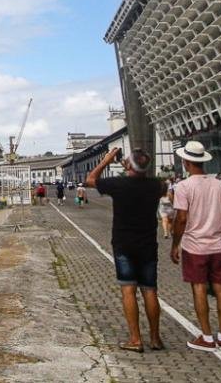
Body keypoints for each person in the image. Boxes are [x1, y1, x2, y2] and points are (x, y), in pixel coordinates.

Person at [87, 148, 167, 353]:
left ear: (129, 166)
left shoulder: (118, 184)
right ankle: (155, 338)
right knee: (150, 290)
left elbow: (90, 179)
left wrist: (106, 160)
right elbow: (148, 181)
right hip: (148, 244)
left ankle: (135, 339)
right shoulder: (157, 186)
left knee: (128, 290)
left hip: (124, 244)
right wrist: (132, 166)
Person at [170, 141, 221, 352]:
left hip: (194, 246)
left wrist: (175, 244)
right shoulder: (219, 185)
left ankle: (206, 337)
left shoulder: (183, 187)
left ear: (186, 162)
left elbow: (181, 219)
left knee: (199, 288)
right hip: (217, 246)